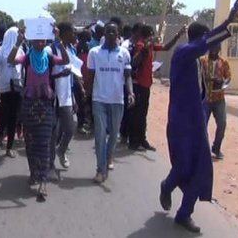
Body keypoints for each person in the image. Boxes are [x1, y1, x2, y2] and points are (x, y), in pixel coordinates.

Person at [160, 0, 238, 233]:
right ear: (199, 38)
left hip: (197, 120)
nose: (210, 46)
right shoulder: (184, 53)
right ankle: (167, 186)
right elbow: (205, 42)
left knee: (201, 167)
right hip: (181, 121)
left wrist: (226, 23)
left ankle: (184, 214)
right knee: (184, 166)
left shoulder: (195, 59)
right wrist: (227, 22)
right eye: (206, 39)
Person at [9, 23, 70, 201]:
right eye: (37, 40)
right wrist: (18, 43)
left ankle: (43, 180)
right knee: (30, 142)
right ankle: (33, 173)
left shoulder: (50, 58)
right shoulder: (27, 58)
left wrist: (59, 41)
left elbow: (66, 61)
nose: (40, 43)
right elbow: (11, 60)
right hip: (29, 105)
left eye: (43, 40)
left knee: (44, 142)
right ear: (32, 40)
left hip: (45, 105)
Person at [87, 22, 135, 183]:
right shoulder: (94, 53)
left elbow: (127, 76)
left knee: (114, 135)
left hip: (117, 99)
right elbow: (91, 76)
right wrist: (87, 97)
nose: (111, 35)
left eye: (114, 32)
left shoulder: (124, 53)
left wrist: (131, 93)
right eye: (108, 32)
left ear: (118, 34)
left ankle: (109, 158)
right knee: (100, 135)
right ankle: (100, 170)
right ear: (104, 34)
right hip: (99, 99)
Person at [127, 24, 183, 151]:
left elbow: (166, 47)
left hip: (146, 84)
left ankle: (142, 139)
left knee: (143, 114)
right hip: (139, 84)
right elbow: (135, 61)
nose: (153, 37)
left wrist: (177, 36)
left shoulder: (150, 45)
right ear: (147, 35)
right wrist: (146, 47)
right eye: (151, 34)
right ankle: (134, 141)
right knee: (137, 115)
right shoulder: (140, 45)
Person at [47, 23, 78, 169]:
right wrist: (60, 74)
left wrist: (73, 96)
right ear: (64, 33)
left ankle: (61, 151)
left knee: (70, 129)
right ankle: (50, 163)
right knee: (53, 133)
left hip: (66, 96)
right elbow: (45, 77)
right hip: (53, 97)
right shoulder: (50, 49)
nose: (74, 35)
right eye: (72, 32)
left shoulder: (71, 49)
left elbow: (71, 75)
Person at [0, 26, 24, 158]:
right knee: (3, 116)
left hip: (17, 88)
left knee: (14, 118)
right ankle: (1, 134)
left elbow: (22, 70)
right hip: (4, 88)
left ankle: (9, 147)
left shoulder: (21, 51)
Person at [201, 43, 232, 159]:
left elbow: (228, 77)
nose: (214, 50)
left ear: (219, 49)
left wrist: (222, 82)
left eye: (216, 48)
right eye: (212, 47)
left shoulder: (224, 62)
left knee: (222, 123)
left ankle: (216, 147)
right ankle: (203, 149)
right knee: (202, 124)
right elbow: (198, 76)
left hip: (219, 98)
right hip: (206, 98)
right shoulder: (202, 61)